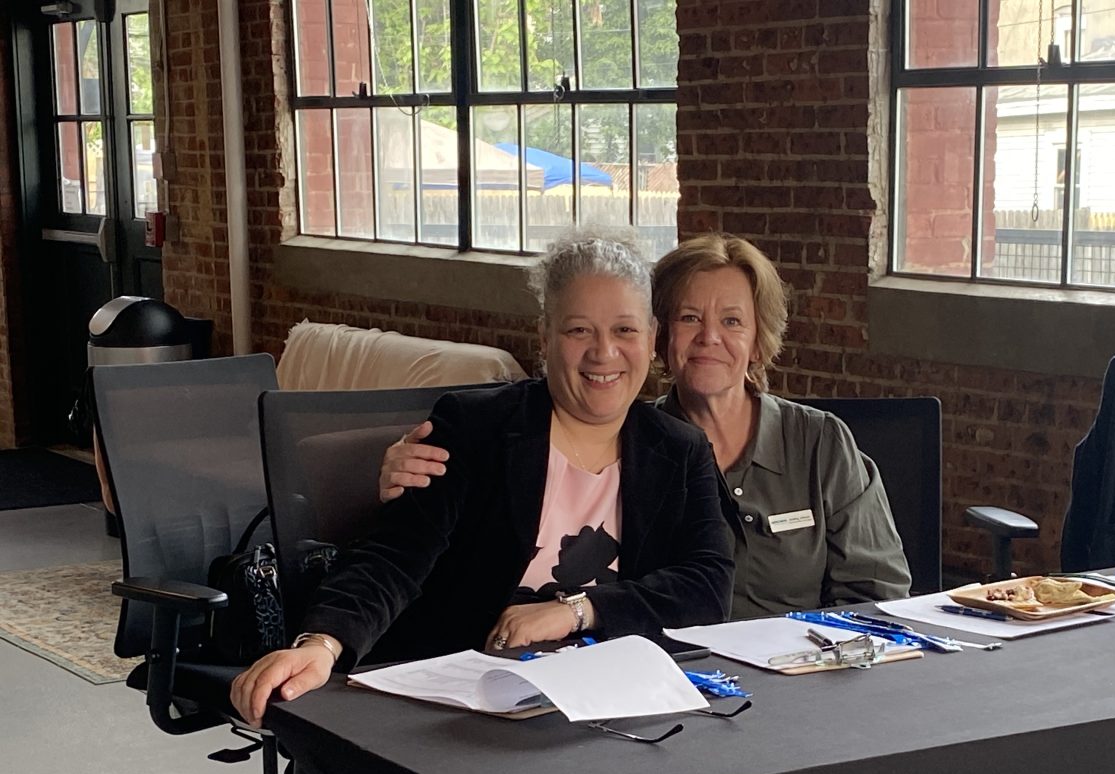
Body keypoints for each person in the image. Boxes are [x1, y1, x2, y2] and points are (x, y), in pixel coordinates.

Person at [231, 228, 733, 726]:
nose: (603, 352)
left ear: (651, 337)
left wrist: (577, 610)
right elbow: (396, 556)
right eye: (579, 330)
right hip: (464, 704)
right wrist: (322, 643)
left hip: (610, 705)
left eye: (624, 330)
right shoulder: (474, 428)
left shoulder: (679, 449)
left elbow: (707, 584)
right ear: (545, 336)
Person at [380, 233, 910, 619]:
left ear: (758, 337)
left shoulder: (820, 442)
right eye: (689, 318)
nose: (709, 338)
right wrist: (402, 477)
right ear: (659, 336)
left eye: (731, 321)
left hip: (808, 676)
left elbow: (878, 593)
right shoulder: (634, 443)